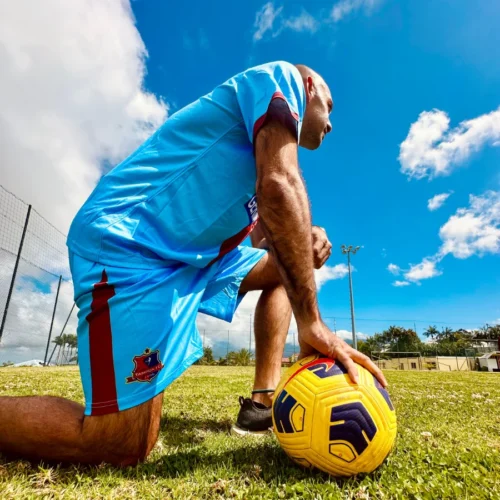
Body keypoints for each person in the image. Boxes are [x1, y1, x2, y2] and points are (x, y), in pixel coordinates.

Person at [0, 61, 387, 466]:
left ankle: (262, 402)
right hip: (131, 245)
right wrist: (312, 321)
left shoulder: (256, 161)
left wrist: (302, 238)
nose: (331, 124)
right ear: (309, 87)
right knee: (119, 443)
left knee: (292, 262)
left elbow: (274, 240)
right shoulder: (282, 78)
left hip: (191, 260)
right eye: (330, 105)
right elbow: (278, 183)